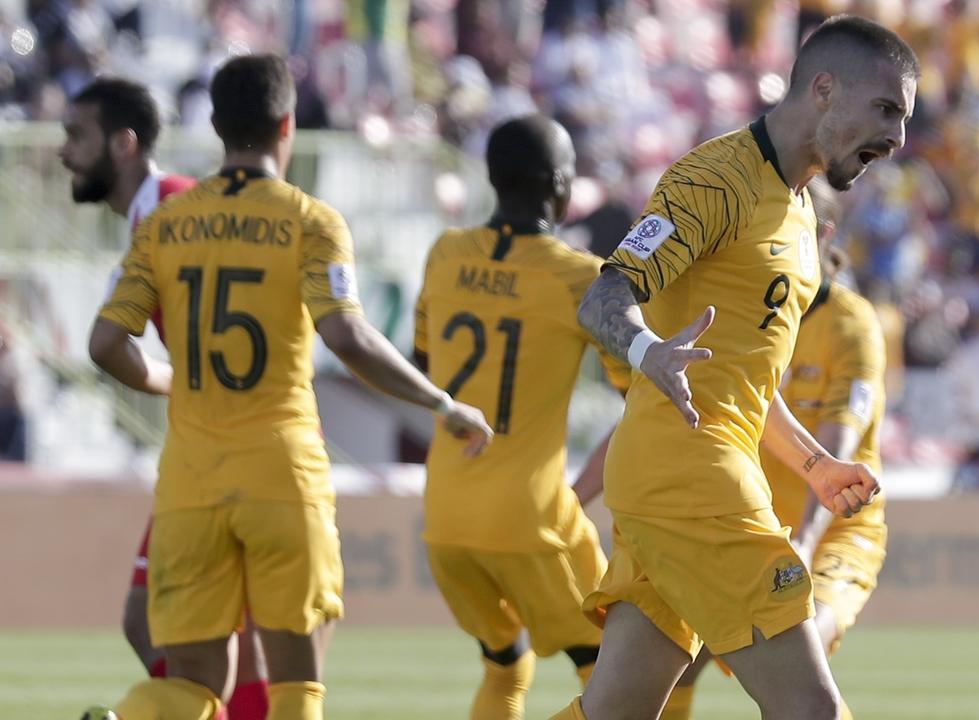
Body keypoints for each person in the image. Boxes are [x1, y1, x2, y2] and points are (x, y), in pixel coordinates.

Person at [81, 53, 492, 720]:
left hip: (190, 483)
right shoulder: (311, 221)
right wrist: (440, 401)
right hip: (281, 471)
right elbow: (348, 338)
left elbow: (105, 343)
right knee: (295, 685)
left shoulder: (165, 224)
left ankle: (131, 717)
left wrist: (168, 380)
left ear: (215, 126)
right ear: (287, 125)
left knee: (192, 685)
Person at [551, 15, 916, 720]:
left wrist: (813, 465)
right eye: (886, 109)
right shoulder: (714, 180)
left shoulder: (802, 215)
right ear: (824, 88)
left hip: (694, 471)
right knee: (813, 711)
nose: (898, 138)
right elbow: (605, 296)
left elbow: (747, 382)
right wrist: (645, 351)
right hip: (692, 479)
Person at [61, 76, 273, 720]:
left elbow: (107, 345)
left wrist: (184, 385)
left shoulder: (174, 211)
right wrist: (181, 383)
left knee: (203, 635)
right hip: (222, 439)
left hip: (241, 443)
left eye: (77, 135)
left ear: (123, 144)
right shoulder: (159, 215)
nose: (64, 151)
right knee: (165, 625)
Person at [412, 115, 626, 720]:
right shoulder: (580, 277)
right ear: (560, 187)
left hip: (446, 519)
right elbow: (648, 397)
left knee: (507, 665)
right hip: (531, 520)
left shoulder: (446, 253)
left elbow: (421, 366)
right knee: (625, 674)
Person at [658, 182, 890, 720]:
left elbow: (837, 446)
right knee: (673, 656)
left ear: (823, 236)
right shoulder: (749, 309)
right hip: (751, 525)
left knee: (801, 662)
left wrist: (804, 546)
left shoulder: (851, 325)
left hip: (834, 527)